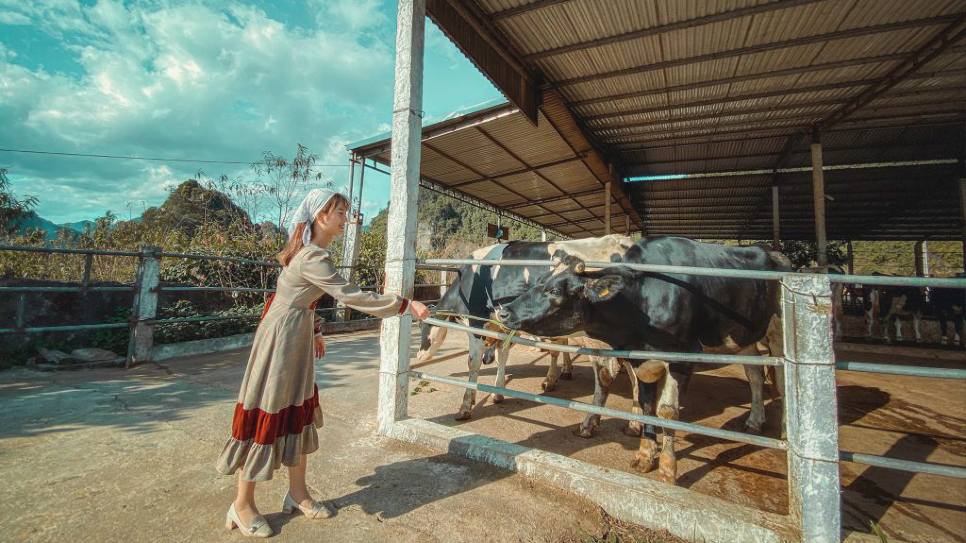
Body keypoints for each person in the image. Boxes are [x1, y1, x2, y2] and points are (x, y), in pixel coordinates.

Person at [215, 188, 430, 537]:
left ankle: (297, 493)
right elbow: (351, 295)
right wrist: (405, 305)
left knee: (295, 408)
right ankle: (242, 504)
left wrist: (314, 331)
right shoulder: (314, 256)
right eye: (340, 212)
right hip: (281, 338)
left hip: (294, 332)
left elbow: (304, 296)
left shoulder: (311, 253)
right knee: (267, 408)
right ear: (321, 216)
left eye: (346, 212)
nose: (346, 218)